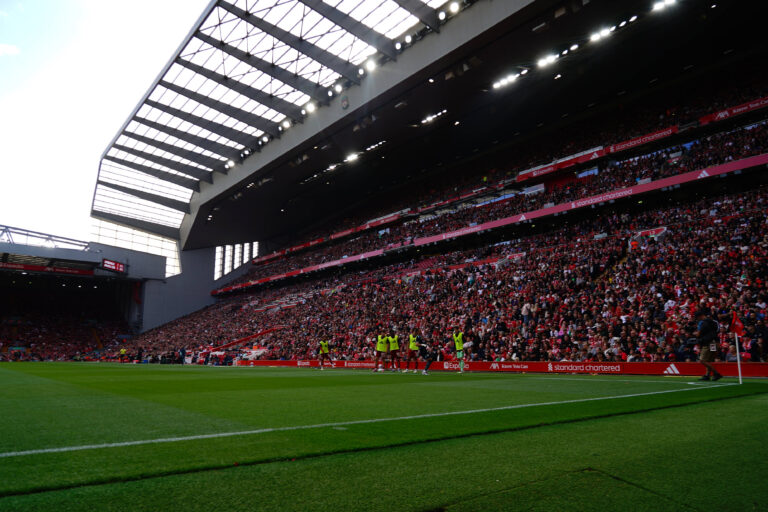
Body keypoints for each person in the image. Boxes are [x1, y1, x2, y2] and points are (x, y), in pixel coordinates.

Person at [695, 310, 722, 381]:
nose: (697, 319)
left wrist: (696, 335)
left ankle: (716, 373)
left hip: (708, 343)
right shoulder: (712, 321)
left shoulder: (704, 323)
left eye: (697, 318)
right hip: (713, 342)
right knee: (708, 360)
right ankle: (707, 375)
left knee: (702, 360)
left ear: (700, 316)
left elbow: (699, 334)